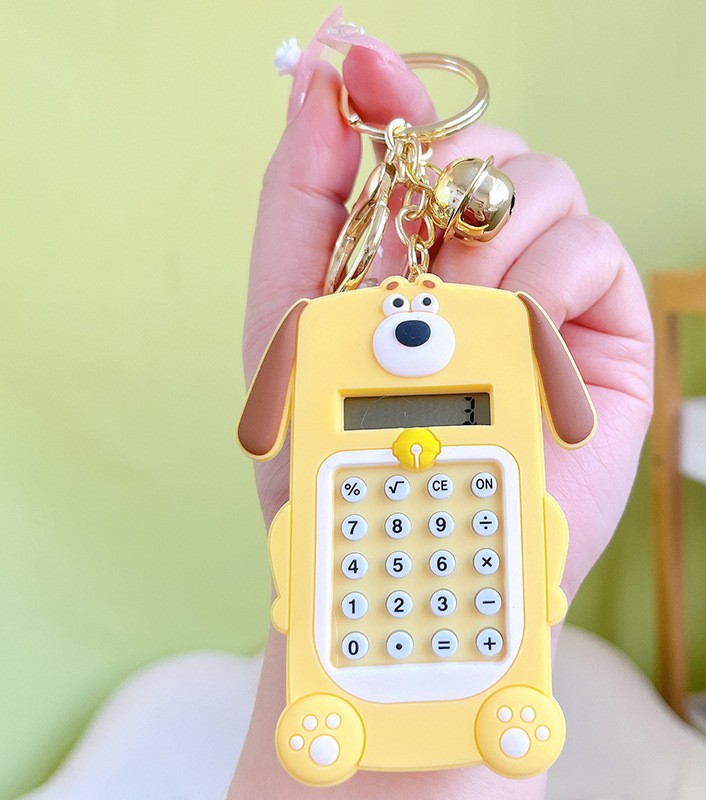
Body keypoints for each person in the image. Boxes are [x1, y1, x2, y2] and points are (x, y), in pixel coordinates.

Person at [228, 25, 653, 800]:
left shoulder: (498, 354)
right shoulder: (315, 345)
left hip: (486, 689)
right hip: (340, 698)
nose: (417, 449)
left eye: (459, 412)